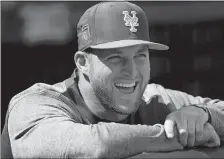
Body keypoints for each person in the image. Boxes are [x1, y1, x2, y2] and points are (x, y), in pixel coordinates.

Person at [1, 1, 224, 158]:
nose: (132, 70)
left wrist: (201, 114)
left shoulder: (153, 98)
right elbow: (94, 146)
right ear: (82, 63)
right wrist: (175, 136)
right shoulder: (34, 103)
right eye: (116, 58)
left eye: (140, 55)